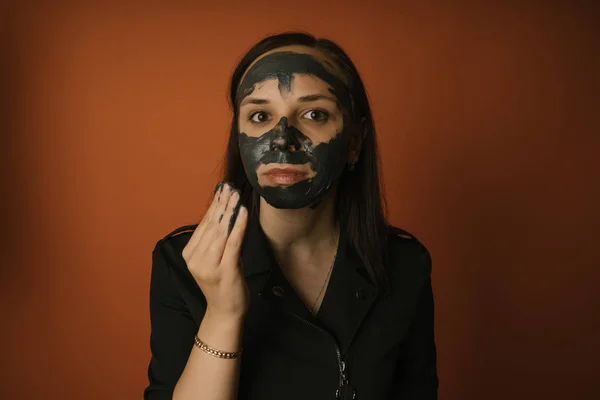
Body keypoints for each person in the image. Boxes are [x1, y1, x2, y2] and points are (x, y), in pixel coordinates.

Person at [143, 32, 438, 400]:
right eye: (261, 115)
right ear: (239, 138)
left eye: (314, 114)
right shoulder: (182, 264)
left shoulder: (403, 265)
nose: (282, 138)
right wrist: (222, 314)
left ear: (354, 141)